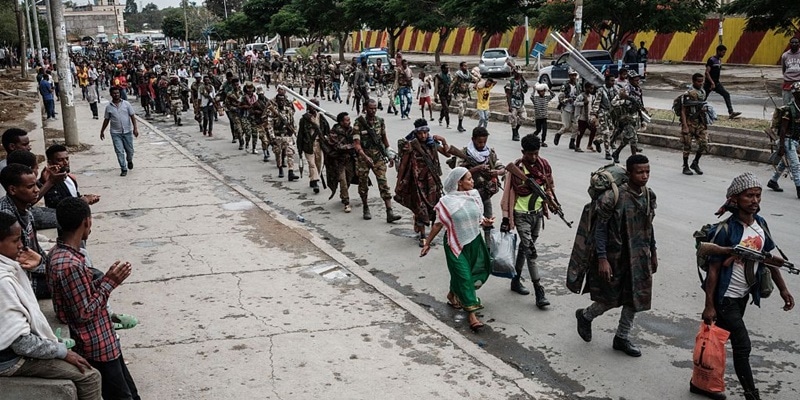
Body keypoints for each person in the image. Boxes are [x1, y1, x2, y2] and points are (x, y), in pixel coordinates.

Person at [700, 172, 794, 400]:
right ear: (735, 199)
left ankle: (699, 383)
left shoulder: (761, 224)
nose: (754, 201)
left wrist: (783, 290)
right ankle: (751, 394)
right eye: (749, 196)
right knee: (742, 346)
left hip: (742, 294)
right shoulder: (725, 230)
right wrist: (709, 306)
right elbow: (713, 270)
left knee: (718, 341)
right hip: (725, 297)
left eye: (758, 196)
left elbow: (768, 259)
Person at [0, 212, 102, 400]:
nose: (21, 245)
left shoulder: (8, 266)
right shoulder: (3, 282)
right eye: (15, 241)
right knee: (89, 376)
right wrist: (62, 352)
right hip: (8, 359)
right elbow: (21, 344)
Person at [47, 197, 140, 400]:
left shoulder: (64, 255)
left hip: (104, 339)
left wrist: (104, 280)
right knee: (121, 395)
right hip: (96, 344)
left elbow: (81, 296)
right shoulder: (69, 264)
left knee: (130, 392)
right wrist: (109, 283)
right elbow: (83, 312)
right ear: (86, 222)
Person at [575, 154, 657, 357]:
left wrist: (653, 252)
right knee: (609, 298)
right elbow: (600, 230)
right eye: (640, 172)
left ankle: (622, 337)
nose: (644, 176)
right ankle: (586, 316)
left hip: (639, 256)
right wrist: (603, 259)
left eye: (647, 171)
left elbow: (649, 226)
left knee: (634, 298)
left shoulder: (649, 195)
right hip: (615, 257)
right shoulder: (614, 197)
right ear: (629, 174)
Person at [420, 167, 494, 331]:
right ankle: (472, 314)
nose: (472, 181)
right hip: (455, 244)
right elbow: (439, 224)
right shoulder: (446, 202)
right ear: (459, 182)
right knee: (464, 276)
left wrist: (486, 222)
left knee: (477, 270)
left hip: (474, 240)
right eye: (469, 179)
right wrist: (427, 243)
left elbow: (478, 218)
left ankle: (452, 293)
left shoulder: (474, 196)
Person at [500, 133, 556, 308]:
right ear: (523, 152)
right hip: (521, 215)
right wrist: (506, 217)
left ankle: (515, 281)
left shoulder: (544, 165)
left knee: (525, 250)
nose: (533, 157)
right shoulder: (517, 169)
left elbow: (550, 187)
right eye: (529, 154)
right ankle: (539, 292)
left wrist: (550, 201)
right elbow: (508, 193)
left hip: (536, 214)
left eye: (536, 153)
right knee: (531, 253)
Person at [0, 164, 51, 300]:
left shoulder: (24, 207)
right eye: (30, 187)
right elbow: (23, 261)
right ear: (12, 190)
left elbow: (36, 248)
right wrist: (49, 268)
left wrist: (48, 261)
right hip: (28, 280)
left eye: (36, 185)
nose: (37, 190)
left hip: (38, 266)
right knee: (87, 278)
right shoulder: (9, 218)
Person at [395, 119, 449, 246]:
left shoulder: (432, 143)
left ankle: (427, 231)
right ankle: (423, 236)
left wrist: (444, 141)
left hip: (432, 182)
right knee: (421, 208)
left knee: (433, 207)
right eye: (420, 133)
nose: (423, 136)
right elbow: (403, 165)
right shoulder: (411, 145)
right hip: (417, 182)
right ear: (416, 133)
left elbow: (447, 154)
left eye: (425, 133)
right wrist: (399, 182)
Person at [352, 99, 401, 222]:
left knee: (383, 183)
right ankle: (365, 207)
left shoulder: (380, 121)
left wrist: (389, 154)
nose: (373, 111)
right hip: (364, 158)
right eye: (371, 108)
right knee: (363, 184)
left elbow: (384, 139)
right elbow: (356, 144)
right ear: (365, 108)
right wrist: (365, 156)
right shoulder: (359, 123)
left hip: (378, 157)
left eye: (375, 108)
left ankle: (389, 212)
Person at [454, 127, 504, 239]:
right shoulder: (464, 153)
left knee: (488, 222)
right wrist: (477, 168)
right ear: (473, 139)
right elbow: (458, 173)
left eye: (484, 142)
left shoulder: (489, 153)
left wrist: (497, 171)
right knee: (468, 224)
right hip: (468, 196)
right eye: (479, 142)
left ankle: (488, 249)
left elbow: (501, 167)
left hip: (485, 194)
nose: (482, 144)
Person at [766, 81, 800, 198]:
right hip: (787, 140)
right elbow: (783, 130)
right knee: (795, 165)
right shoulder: (789, 109)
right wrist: (781, 146)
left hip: (796, 140)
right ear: (795, 95)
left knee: (784, 164)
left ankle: (773, 181)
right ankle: (799, 188)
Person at [41, 144, 100, 209]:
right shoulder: (49, 183)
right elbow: (58, 205)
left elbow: (74, 197)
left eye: (67, 159)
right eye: (60, 160)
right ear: (50, 163)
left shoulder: (70, 178)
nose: (66, 162)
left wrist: (87, 198)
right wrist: (84, 200)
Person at [100, 87, 139, 177]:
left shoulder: (126, 104)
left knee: (130, 151)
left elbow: (132, 116)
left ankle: (129, 160)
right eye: (114, 93)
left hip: (127, 132)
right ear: (111, 94)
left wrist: (135, 128)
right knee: (119, 151)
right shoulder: (108, 107)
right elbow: (106, 120)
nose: (116, 95)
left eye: (117, 93)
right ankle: (123, 168)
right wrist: (102, 131)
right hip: (115, 133)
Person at [322, 112, 356, 213]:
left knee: (349, 178)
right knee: (343, 180)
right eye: (347, 120)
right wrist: (351, 146)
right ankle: (346, 202)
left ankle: (343, 194)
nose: (349, 122)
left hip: (349, 160)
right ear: (341, 122)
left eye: (349, 120)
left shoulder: (351, 130)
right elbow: (337, 147)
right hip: (338, 161)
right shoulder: (334, 132)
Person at [610, 71, 645, 164]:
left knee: (627, 138)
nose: (638, 82)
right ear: (630, 80)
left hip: (634, 116)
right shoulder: (624, 91)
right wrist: (626, 101)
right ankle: (634, 160)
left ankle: (616, 152)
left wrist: (642, 118)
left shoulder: (638, 90)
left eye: (638, 80)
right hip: (625, 117)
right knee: (633, 138)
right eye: (635, 80)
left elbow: (640, 105)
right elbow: (613, 103)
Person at [297, 98, 329, 194]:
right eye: (311, 105)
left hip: (319, 144)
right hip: (308, 144)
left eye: (315, 105)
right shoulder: (304, 119)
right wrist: (300, 148)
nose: (313, 108)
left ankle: (313, 178)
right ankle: (315, 181)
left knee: (318, 163)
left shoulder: (321, 118)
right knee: (312, 164)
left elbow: (327, 129)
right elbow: (300, 134)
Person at [680, 73, 710, 176]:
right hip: (689, 122)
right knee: (687, 145)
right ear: (693, 81)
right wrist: (684, 126)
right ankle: (685, 166)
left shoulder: (702, 92)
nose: (700, 83)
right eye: (698, 81)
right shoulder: (688, 93)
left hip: (700, 122)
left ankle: (695, 162)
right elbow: (683, 111)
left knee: (704, 144)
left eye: (702, 81)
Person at [268, 86, 299, 181]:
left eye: (283, 100)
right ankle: (280, 168)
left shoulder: (288, 110)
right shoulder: (272, 111)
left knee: (290, 153)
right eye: (279, 100)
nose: (281, 102)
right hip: (277, 136)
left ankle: (291, 172)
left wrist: (294, 132)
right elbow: (269, 124)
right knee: (278, 154)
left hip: (287, 135)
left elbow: (292, 122)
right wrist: (272, 137)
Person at [704, 45, 741, 119]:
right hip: (709, 83)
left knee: (726, 94)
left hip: (717, 83)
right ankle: (695, 111)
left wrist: (715, 83)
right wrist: (712, 83)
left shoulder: (719, 61)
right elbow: (707, 73)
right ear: (718, 51)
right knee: (703, 98)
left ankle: (731, 113)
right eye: (723, 52)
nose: (724, 54)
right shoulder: (711, 60)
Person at [592, 75, 618, 160]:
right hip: (602, 113)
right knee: (606, 132)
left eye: (614, 81)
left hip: (610, 113)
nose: (613, 83)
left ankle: (598, 141)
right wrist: (594, 114)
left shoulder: (614, 89)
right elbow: (596, 102)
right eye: (611, 81)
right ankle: (607, 152)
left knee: (612, 131)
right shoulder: (600, 90)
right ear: (606, 81)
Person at [554, 70, 578, 147]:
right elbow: (560, 97)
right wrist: (567, 100)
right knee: (566, 126)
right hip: (566, 107)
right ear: (569, 76)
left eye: (575, 75)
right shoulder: (565, 85)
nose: (573, 77)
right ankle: (558, 134)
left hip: (575, 107)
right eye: (572, 75)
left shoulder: (578, 85)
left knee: (576, 126)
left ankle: (572, 141)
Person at [505, 68, 529, 141]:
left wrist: (523, 79)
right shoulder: (510, 82)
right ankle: (514, 134)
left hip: (520, 102)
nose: (519, 74)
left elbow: (525, 90)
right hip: (513, 102)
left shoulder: (522, 82)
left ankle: (516, 130)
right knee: (513, 119)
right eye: (518, 73)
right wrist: (509, 106)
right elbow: (508, 94)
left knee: (524, 117)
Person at [450, 62, 474, 132]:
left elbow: (474, 80)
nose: (466, 67)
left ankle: (460, 124)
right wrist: (450, 92)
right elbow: (453, 83)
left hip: (465, 94)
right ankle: (459, 125)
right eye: (464, 66)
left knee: (463, 110)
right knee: (461, 108)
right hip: (458, 93)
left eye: (466, 66)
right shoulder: (458, 75)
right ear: (461, 67)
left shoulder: (468, 75)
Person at [574, 82, 597, 153]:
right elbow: (575, 103)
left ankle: (589, 145)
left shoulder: (592, 96)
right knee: (580, 132)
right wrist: (583, 103)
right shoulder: (581, 96)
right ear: (586, 88)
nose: (592, 90)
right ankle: (577, 146)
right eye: (590, 88)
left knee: (594, 129)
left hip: (589, 117)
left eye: (592, 88)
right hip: (582, 118)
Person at [781, 37, 800, 106]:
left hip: (798, 83)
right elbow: (784, 69)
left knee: (798, 104)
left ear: (799, 44)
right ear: (789, 44)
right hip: (788, 83)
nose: (794, 44)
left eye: (796, 42)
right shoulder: (785, 55)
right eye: (792, 43)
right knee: (786, 104)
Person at [434, 64, 452, 129]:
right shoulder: (438, 76)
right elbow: (436, 86)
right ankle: (448, 123)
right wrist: (435, 96)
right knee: (446, 108)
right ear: (442, 69)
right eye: (446, 68)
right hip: (442, 94)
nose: (447, 70)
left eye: (448, 68)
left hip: (448, 94)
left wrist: (450, 92)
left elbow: (450, 84)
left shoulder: (449, 75)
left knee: (444, 108)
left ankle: (440, 118)